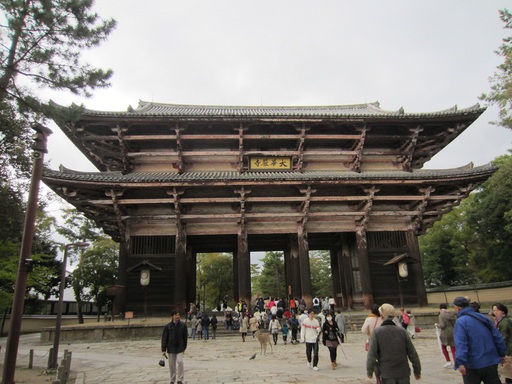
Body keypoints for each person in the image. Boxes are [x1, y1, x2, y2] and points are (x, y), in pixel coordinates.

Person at [452, 296, 507, 384]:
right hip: (490, 361)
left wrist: (460, 362)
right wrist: (502, 354)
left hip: (472, 365)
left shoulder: (461, 322)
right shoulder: (483, 317)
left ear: (457, 308)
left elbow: (461, 344)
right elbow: (498, 337)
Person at [367, 303, 421, 383]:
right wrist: (417, 370)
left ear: (381, 316)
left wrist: (370, 371)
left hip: (387, 372)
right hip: (403, 372)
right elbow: (412, 353)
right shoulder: (402, 331)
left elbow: (372, 354)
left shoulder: (377, 332)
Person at [161, 310, 188, 384]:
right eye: (176, 315)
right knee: (172, 364)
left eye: (178, 315)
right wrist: (163, 349)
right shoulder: (168, 326)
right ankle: (172, 379)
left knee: (180, 361)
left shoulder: (183, 325)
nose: (177, 317)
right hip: (171, 347)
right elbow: (164, 338)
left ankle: (180, 379)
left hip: (180, 347)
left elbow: (185, 337)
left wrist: (184, 347)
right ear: (172, 316)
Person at [492, 303, 512, 384]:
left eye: (497, 310)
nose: (495, 312)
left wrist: (501, 351)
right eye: (494, 310)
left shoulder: (503, 322)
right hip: (508, 348)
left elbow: (503, 337)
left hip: (508, 349)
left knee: (508, 371)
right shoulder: (501, 321)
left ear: (503, 311)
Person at [435, 303, 457, 368]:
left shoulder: (441, 315)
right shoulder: (452, 314)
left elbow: (442, 325)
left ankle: (448, 361)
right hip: (453, 332)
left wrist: (437, 325)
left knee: (443, 347)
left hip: (445, 333)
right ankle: (456, 362)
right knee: (453, 348)